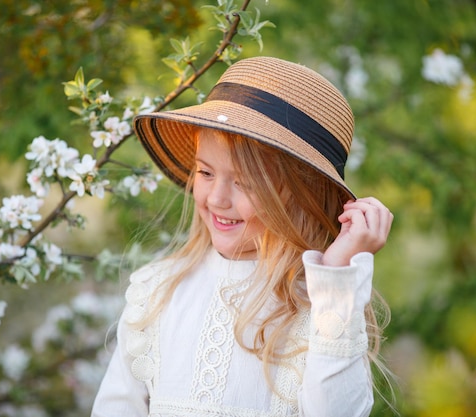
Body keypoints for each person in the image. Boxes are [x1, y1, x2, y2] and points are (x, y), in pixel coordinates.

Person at [91, 56, 394, 417]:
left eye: (245, 182)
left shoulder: (324, 308)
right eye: (205, 172)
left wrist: (337, 273)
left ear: (302, 193)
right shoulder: (157, 292)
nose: (217, 199)